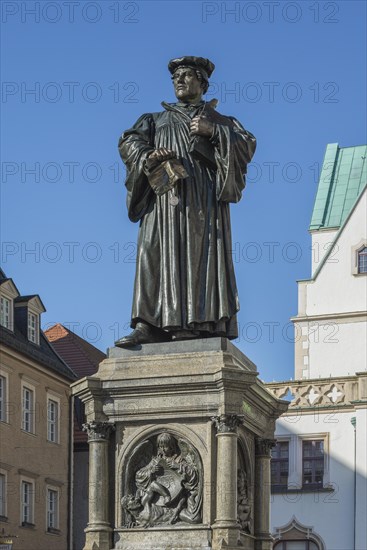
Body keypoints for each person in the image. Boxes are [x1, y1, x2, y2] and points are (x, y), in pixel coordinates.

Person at [116, 56, 256, 347]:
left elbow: (246, 145)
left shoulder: (221, 120)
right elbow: (129, 142)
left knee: (198, 258)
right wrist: (147, 155)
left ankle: (198, 322)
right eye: (175, 77)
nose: (179, 81)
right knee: (152, 254)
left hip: (202, 203)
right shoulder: (155, 120)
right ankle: (147, 324)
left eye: (186, 75)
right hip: (163, 201)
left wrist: (214, 131)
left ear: (202, 82)